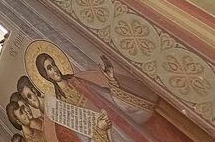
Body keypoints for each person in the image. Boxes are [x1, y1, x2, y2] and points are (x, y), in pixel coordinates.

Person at [34, 52, 188, 141]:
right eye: (49, 68)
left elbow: (109, 100)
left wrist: (112, 80)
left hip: (123, 126)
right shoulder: (59, 107)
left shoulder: (78, 81)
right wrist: (100, 130)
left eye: (53, 64)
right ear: (45, 75)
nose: (54, 69)